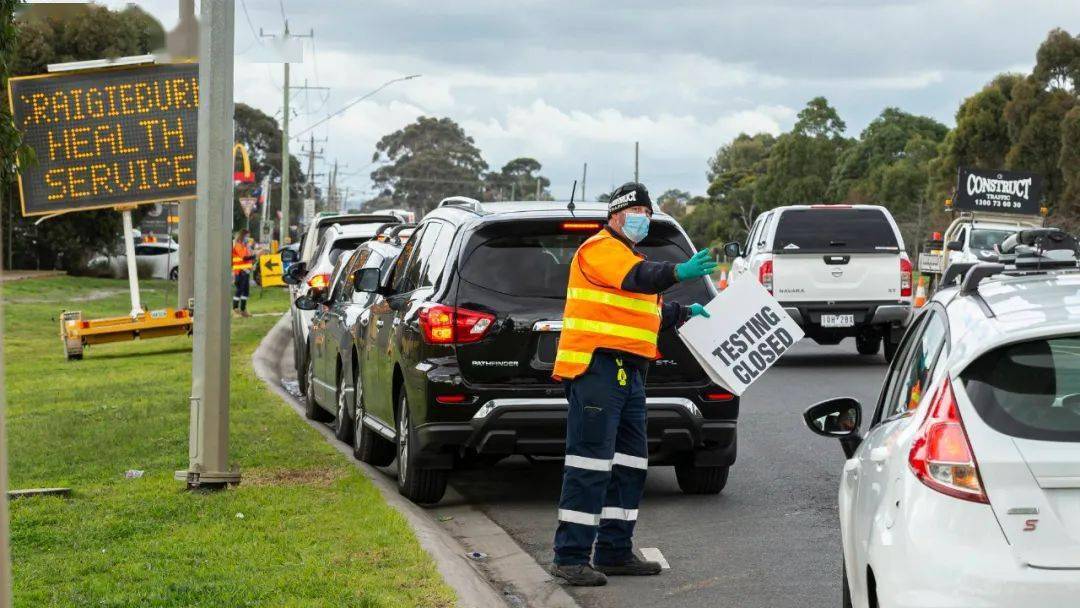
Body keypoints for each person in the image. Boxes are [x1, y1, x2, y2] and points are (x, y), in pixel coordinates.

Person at [550, 181, 716, 586]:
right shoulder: (600, 249)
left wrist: (681, 312)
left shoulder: (628, 255)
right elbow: (640, 279)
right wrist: (679, 271)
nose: (642, 219)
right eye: (636, 213)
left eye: (646, 213)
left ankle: (613, 551)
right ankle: (570, 557)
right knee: (590, 464)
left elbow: (639, 307)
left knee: (630, 464)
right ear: (616, 215)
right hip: (597, 371)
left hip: (629, 372)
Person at [231, 229, 256, 317]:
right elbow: (244, 258)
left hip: (245, 271)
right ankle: (235, 310)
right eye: (247, 236)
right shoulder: (238, 245)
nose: (248, 238)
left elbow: (247, 259)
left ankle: (243, 310)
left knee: (246, 291)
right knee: (239, 290)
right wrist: (256, 255)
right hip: (240, 272)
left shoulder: (244, 246)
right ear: (243, 236)